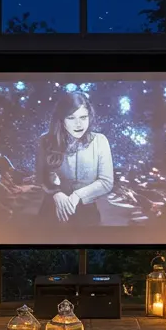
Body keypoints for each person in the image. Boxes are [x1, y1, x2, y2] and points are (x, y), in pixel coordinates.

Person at [36, 90, 113, 235]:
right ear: (61, 119)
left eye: (83, 117)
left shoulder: (100, 141)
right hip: (52, 213)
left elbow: (106, 182)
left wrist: (77, 196)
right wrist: (56, 194)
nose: (79, 124)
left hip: (87, 215)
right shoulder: (45, 140)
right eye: (71, 118)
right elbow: (41, 176)